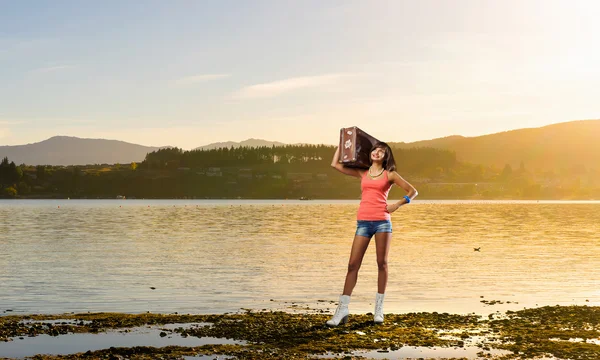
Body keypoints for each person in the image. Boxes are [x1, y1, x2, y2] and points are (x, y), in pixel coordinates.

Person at [327, 140, 418, 326]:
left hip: (382, 222)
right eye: (375, 149)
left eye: (381, 151)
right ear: (371, 153)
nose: (377, 152)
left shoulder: (390, 174)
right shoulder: (362, 172)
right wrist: (342, 141)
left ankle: (379, 309)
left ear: (386, 157)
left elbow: (413, 191)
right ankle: (342, 310)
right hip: (363, 223)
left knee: (382, 263)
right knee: (352, 265)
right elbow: (335, 164)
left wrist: (397, 204)